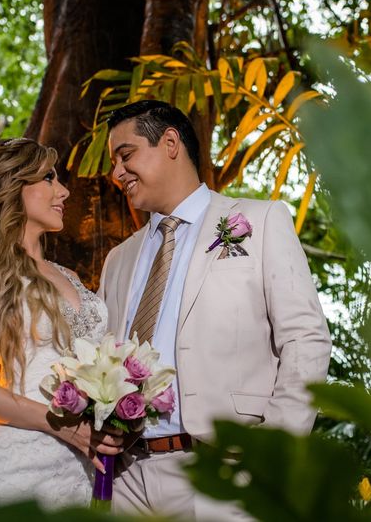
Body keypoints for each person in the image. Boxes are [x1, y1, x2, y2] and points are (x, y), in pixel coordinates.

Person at [98, 100, 332, 519]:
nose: (116, 173)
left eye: (125, 154)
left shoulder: (260, 221)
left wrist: (273, 451)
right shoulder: (118, 259)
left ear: (170, 143)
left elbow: (305, 339)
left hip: (224, 469)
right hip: (127, 478)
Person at [0, 138, 123, 514]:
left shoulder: (68, 276)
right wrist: (63, 426)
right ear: (13, 186)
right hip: (20, 467)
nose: (64, 190)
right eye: (49, 178)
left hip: (84, 470)